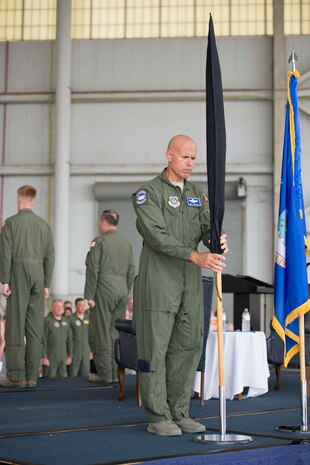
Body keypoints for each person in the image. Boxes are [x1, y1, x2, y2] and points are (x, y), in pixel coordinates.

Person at [132, 134, 228, 436]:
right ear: (169, 155)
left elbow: (204, 229)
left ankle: (179, 411)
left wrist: (216, 241)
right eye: (185, 156)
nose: (190, 163)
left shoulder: (197, 194)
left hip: (189, 279)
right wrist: (195, 256)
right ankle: (158, 414)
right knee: (156, 346)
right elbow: (156, 235)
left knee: (188, 345)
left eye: (194, 158)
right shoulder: (148, 193)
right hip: (160, 279)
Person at [0, 185, 55, 388]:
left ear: (18, 199)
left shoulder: (11, 224)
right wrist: (47, 283)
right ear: (33, 200)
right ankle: (32, 376)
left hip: (18, 272)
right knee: (34, 327)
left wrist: (5, 280)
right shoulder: (43, 225)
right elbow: (50, 255)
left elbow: (5, 253)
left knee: (14, 325)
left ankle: (16, 376)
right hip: (39, 275)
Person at [84, 209, 135, 383]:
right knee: (115, 331)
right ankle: (115, 372)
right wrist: (125, 290)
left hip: (104, 288)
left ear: (103, 222)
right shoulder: (126, 243)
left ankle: (105, 373)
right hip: (121, 289)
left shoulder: (100, 242)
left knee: (101, 330)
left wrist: (89, 295)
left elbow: (93, 269)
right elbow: (131, 271)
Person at [42, 299, 73, 378]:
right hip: (50, 356)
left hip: (63, 356)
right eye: (57, 306)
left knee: (62, 380)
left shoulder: (66, 321)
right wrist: (44, 357)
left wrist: (70, 355)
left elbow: (69, 340)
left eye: (61, 306)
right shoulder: (47, 321)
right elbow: (43, 340)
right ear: (52, 308)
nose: (59, 308)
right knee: (49, 380)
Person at [68, 298, 92, 377]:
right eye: (80, 305)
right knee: (73, 374)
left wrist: (92, 351)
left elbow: (91, 336)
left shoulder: (88, 318)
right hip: (75, 351)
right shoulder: (71, 319)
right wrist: (69, 354)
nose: (83, 307)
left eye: (84, 305)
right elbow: (69, 338)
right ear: (76, 306)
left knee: (85, 374)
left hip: (86, 351)